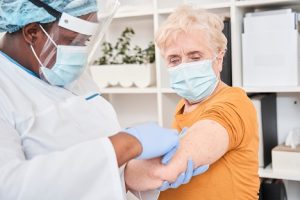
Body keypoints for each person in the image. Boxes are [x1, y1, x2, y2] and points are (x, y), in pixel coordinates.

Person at [0, 1, 206, 199]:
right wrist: (126, 144)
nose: (79, 52)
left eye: (85, 42)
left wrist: (138, 173)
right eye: (74, 41)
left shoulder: (57, 68)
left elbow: (96, 154)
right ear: (32, 32)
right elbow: (10, 187)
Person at [124, 5, 260, 200]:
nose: (185, 67)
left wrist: (125, 156)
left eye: (195, 57)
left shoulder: (234, 103)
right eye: (174, 59)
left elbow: (166, 169)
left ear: (219, 57)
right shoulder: (184, 105)